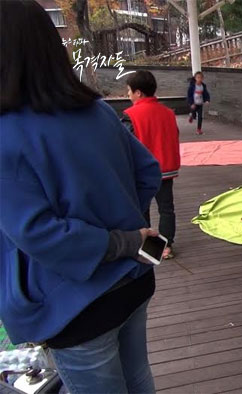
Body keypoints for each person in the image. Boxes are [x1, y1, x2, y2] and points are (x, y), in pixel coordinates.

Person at [0, 1, 162, 393]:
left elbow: (38, 233)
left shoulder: (6, 133)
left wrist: (116, 242)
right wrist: (124, 223)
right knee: (138, 379)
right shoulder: (96, 109)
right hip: (134, 279)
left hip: (74, 301)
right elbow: (147, 171)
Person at [123, 70, 181, 259]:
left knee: (143, 209)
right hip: (166, 169)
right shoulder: (168, 113)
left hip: (142, 173)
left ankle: (149, 247)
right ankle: (166, 246)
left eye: (129, 91)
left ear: (138, 92)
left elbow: (125, 146)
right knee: (166, 208)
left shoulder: (130, 115)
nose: (128, 95)